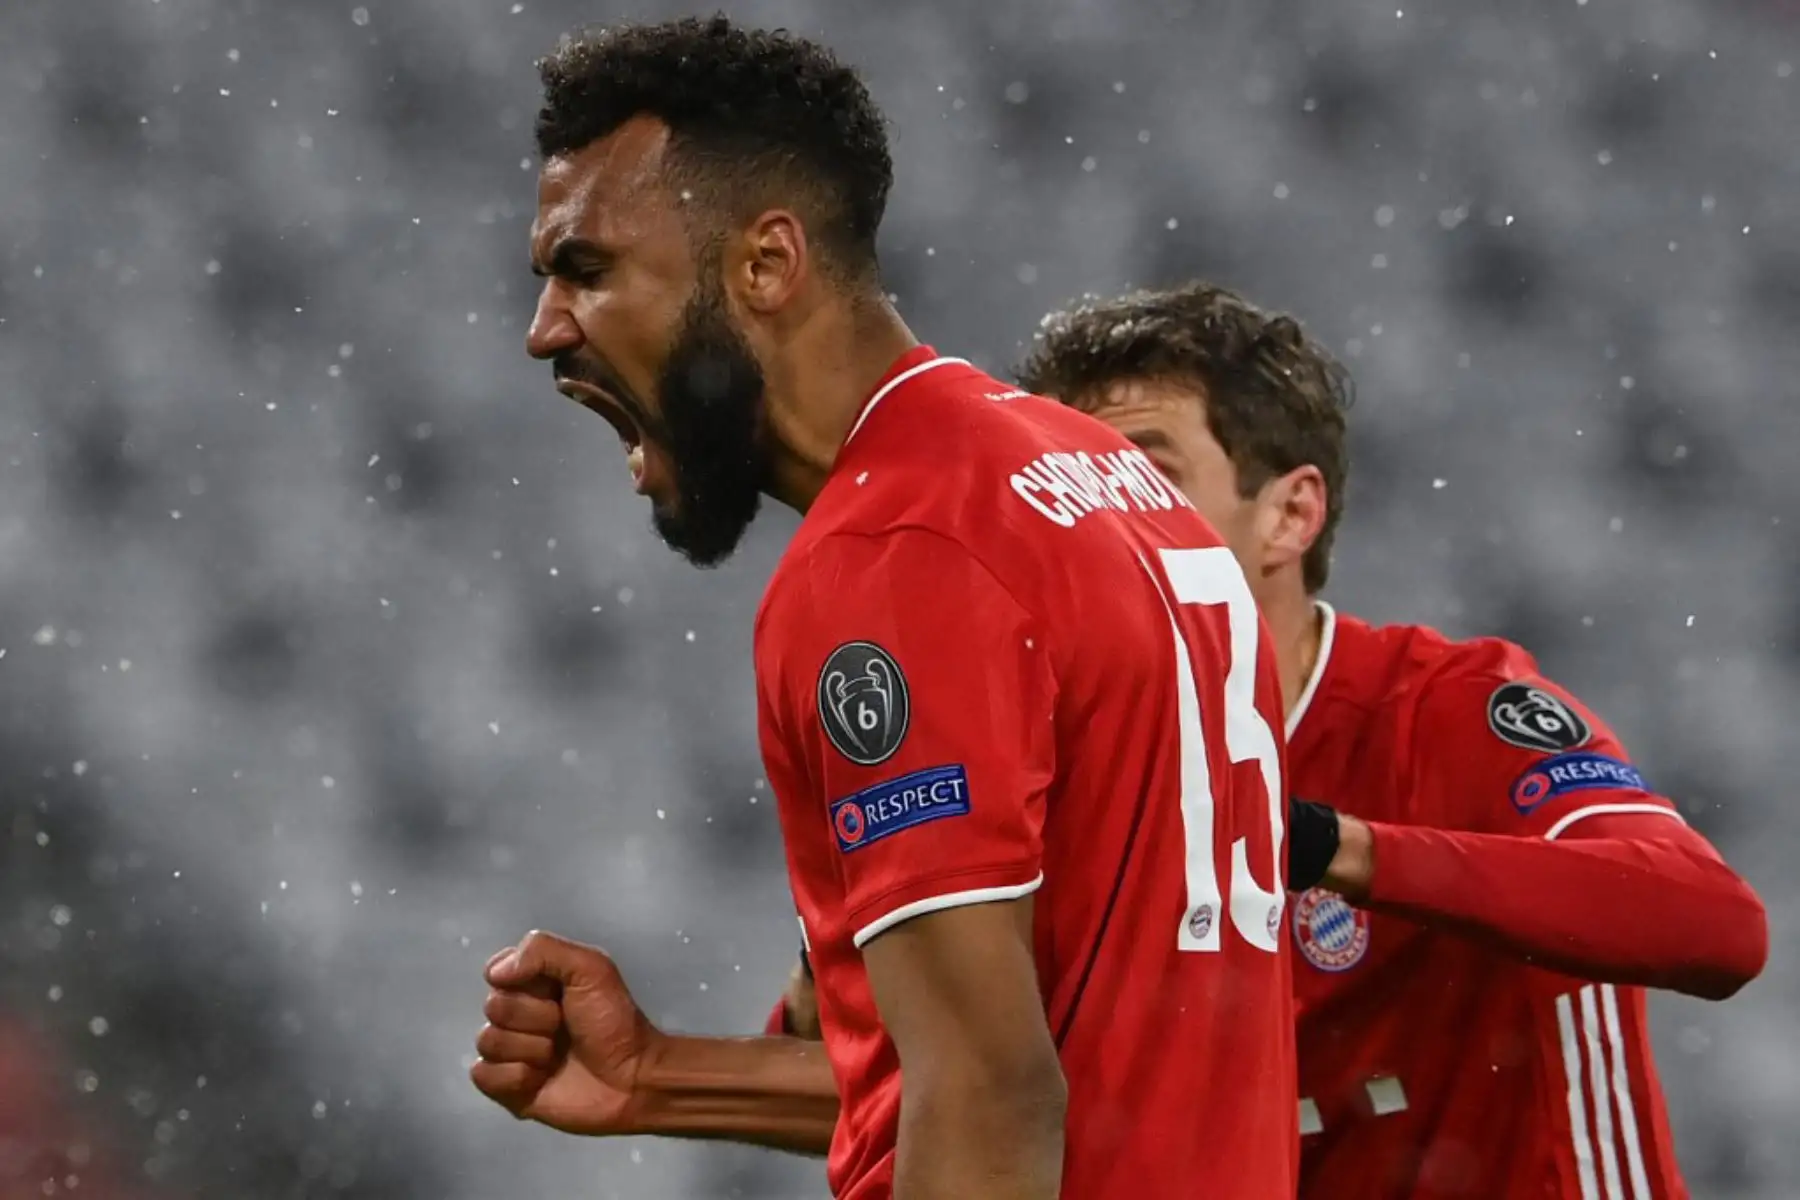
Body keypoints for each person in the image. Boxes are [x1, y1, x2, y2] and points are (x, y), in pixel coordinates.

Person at [470, 19, 1297, 1200]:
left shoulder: (894, 555)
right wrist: (659, 1078)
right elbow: (1058, 1047)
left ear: (766, 265)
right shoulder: (1099, 474)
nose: (545, 329)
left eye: (587, 269)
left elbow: (993, 1095)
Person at [773, 281, 1770, 1197]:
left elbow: (1714, 925)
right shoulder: (1070, 779)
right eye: (1071, 489)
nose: (1100, 523)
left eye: (1144, 477)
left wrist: (1338, 847)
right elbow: (951, 1087)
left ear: (1290, 515)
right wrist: (721, 1048)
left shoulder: (1445, 712)